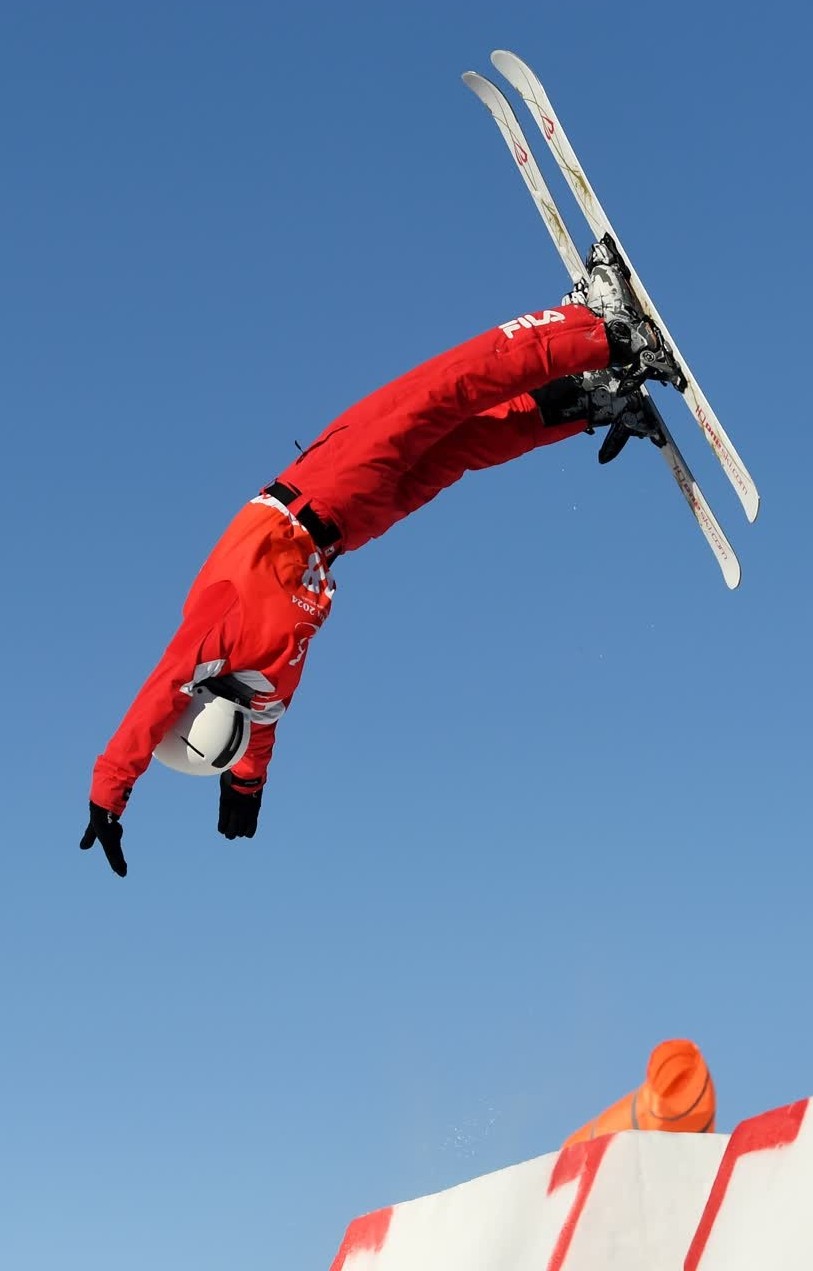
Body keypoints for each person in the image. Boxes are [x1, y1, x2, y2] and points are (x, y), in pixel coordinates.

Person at [80, 247, 675, 876]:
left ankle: (591, 401)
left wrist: (243, 789)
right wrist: (107, 792)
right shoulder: (214, 637)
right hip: (323, 495)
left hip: (347, 530)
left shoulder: (262, 689)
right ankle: (605, 333)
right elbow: (157, 698)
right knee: (449, 389)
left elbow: (250, 735)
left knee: (461, 446)